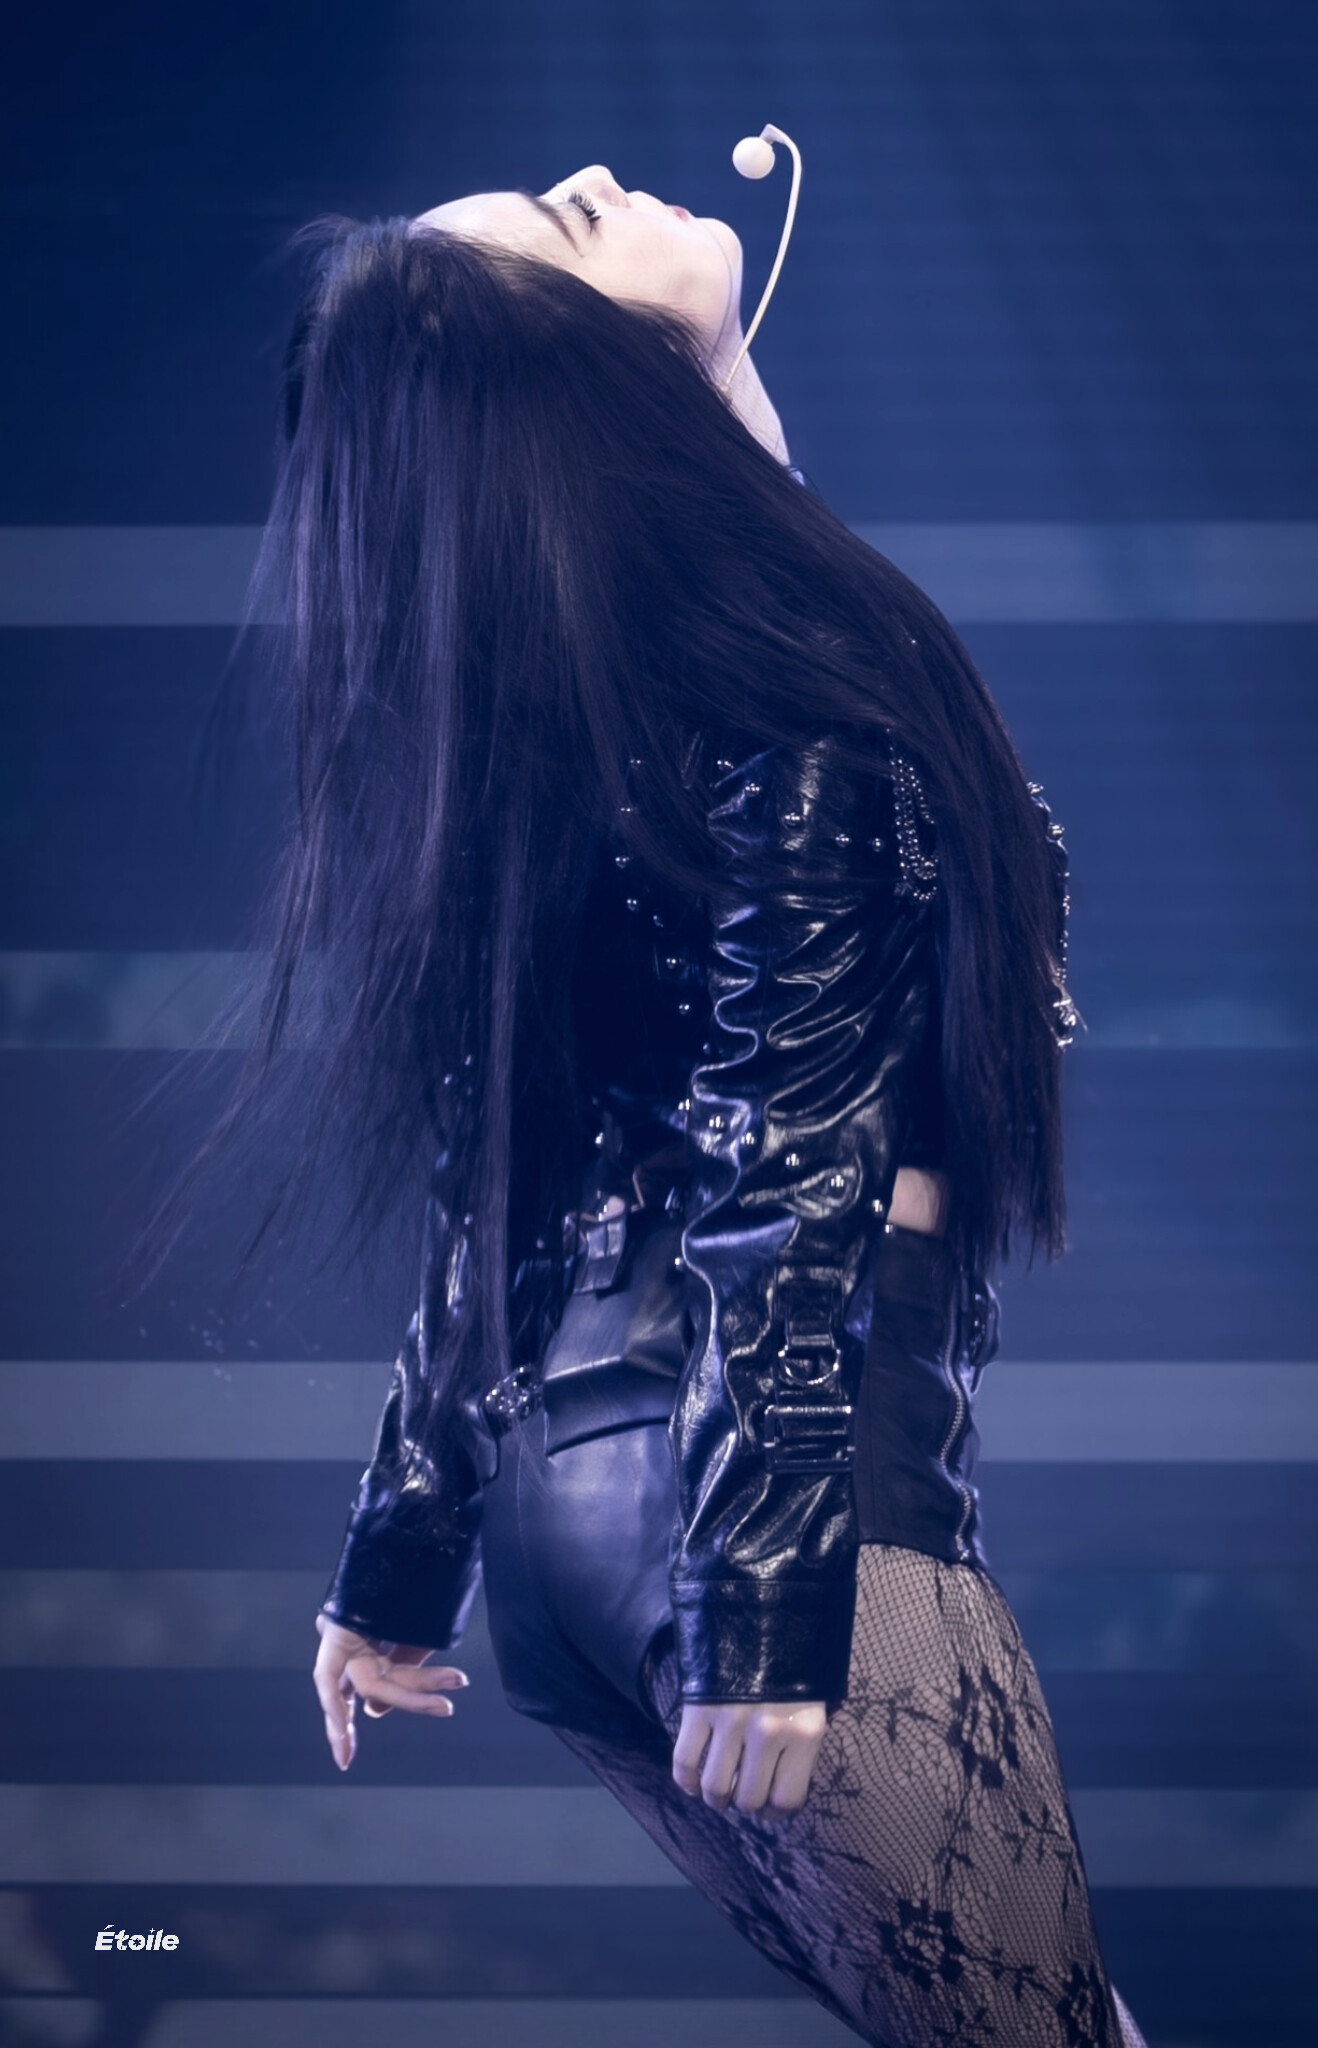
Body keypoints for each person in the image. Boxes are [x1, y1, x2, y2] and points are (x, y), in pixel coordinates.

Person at [154, 161, 1146, 2045]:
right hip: (769, 1521)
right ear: (579, 389)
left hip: (577, 1545)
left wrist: (403, 1546)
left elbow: (500, 1170)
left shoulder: (608, 701)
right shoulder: (792, 708)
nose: (597, 180)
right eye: (565, 227)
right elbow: (792, 1154)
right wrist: (763, 1595)